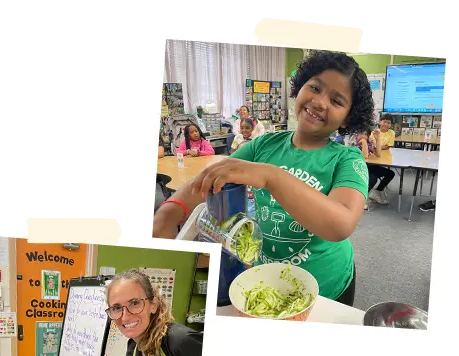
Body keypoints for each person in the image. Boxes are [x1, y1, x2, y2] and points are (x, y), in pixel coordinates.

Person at [153, 50, 375, 307]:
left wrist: (271, 176)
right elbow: (212, 177)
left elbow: (340, 224)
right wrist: (168, 212)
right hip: (264, 277)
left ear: (348, 117)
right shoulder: (263, 146)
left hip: (326, 286)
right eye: (314, 87)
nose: (320, 102)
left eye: (336, 101)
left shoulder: (348, 159)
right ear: (299, 87)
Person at [367, 114, 396, 204]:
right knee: (373, 178)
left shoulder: (391, 133)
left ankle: (377, 192)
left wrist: (378, 148)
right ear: (380, 122)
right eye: (384, 122)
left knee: (390, 173)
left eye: (388, 123)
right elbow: (373, 148)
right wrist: (378, 148)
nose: (386, 124)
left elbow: (388, 147)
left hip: (379, 159)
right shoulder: (374, 133)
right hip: (368, 162)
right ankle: (362, 197)